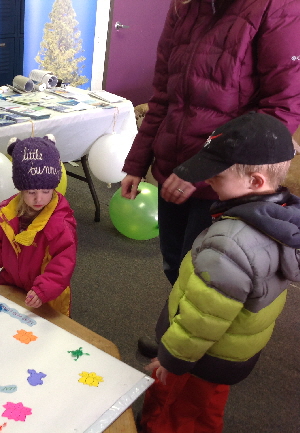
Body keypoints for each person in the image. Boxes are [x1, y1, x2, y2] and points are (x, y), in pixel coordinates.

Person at [120, 0, 300, 357]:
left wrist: (204, 168)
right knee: (177, 264)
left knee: (214, 272)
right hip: (175, 169)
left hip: (228, 182)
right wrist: (137, 162)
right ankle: (180, 334)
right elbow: (163, 98)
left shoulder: (276, 7)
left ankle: (203, 353)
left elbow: (279, 110)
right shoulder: (184, 7)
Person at [138, 112, 300, 432]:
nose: (208, 179)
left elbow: (203, 319)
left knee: (173, 406)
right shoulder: (283, 218)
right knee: (206, 404)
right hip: (232, 351)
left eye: (217, 175)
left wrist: (172, 359)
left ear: (255, 181)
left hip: (200, 356)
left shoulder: (229, 244)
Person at [0, 135, 77, 316]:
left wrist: (43, 289)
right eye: (31, 192)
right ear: (21, 189)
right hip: (11, 283)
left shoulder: (60, 223)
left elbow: (63, 263)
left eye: (46, 191)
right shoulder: (7, 211)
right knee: (8, 323)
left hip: (45, 295)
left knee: (43, 330)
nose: (39, 198)